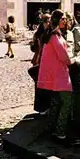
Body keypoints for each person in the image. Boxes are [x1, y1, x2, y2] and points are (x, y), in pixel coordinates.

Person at [37, 9, 72, 142]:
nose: (66, 21)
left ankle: (50, 128)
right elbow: (63, 55)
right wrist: (72, 62)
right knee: (66, 102)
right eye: (63, 19)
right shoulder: (54, 35)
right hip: (60, 75)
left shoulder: (50, 34)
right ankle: (60, 131)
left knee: (56, 103)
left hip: (53, 75)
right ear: (59, 20)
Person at [30, 14, 51, 113]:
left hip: (42, 60)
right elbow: (34, 48)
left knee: (42, 85)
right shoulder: (41, 34)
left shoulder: (48, 33)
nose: (48, 24)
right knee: (40, 85)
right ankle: (41, 107)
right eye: (47, 22)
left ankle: (43, 106)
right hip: (39, 60)